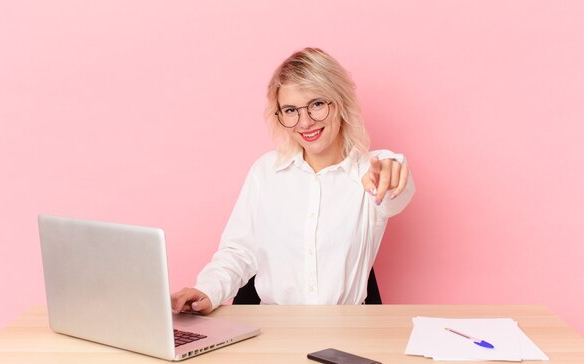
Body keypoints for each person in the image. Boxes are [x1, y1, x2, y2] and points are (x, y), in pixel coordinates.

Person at [171, 47, 415, 314]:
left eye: (317, 104)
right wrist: (207, 290)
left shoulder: (370, 170)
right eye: (290, 110)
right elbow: (239, 252)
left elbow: (395, 192)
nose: (305, 122)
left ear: (340, 102)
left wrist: (393, 172)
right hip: (274, 329)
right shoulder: (266, 171)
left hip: (346, 329)